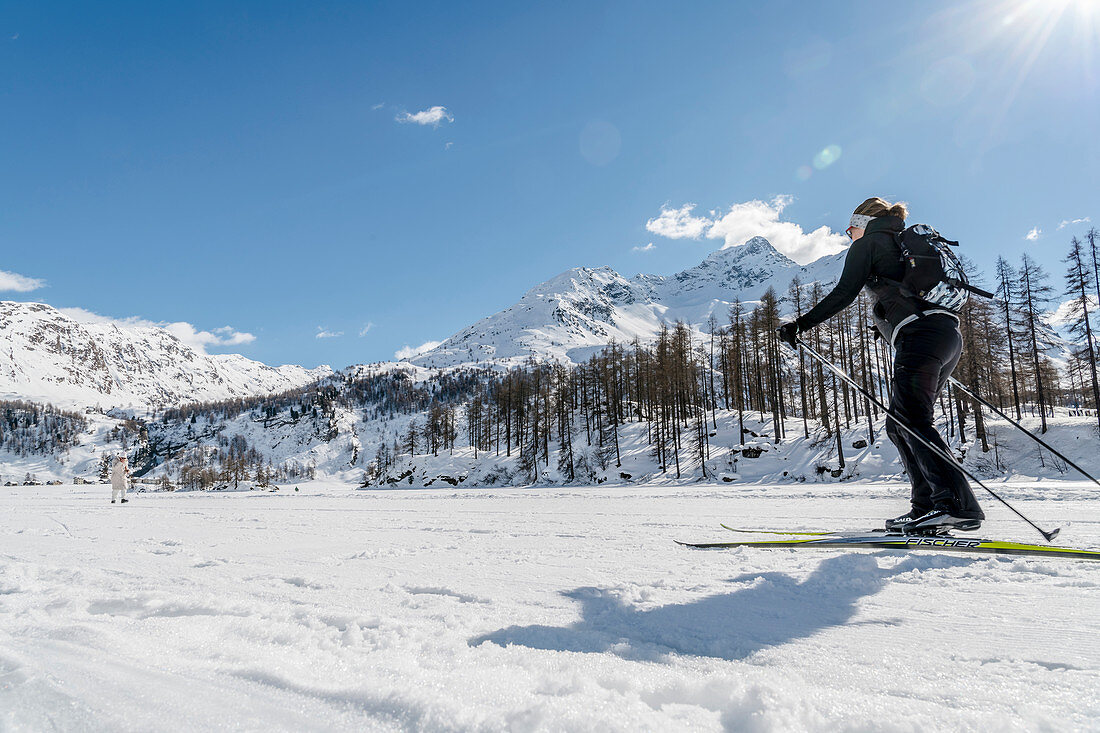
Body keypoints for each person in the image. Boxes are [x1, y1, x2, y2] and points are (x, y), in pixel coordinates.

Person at [777, 197, 984, 533]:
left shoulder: (870, 242)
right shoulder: (901, 245)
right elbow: (904, 294)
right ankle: (926, 507)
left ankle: (956, 506)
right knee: (899, 423)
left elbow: (844, 292)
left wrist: (800, 324)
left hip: (921, 337)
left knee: (912, 419)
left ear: (862, 221)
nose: (849, 236)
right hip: (946, 337)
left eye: (849, 229)